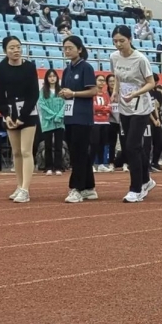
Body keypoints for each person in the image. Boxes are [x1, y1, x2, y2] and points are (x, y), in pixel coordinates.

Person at [110, 26, 156, 203]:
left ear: (130, 39)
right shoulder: (114, 57)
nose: (118, 44)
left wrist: (136, 93)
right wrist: (115, 91)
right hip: (124, 106)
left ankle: (136, 189)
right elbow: (117, 76)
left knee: (131, 146)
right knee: (132, 146)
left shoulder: (140, 59)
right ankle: (146, 180)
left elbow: (151, 83)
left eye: (122, 41)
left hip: (140, 106)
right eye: (115, 41)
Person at [0, 36, 39, 204]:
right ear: (5, 50)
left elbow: (34, 94)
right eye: (12, 47)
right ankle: (19, 186)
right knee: (16, 152)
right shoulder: (2, 68)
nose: (16, 50)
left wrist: (22, 117)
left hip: (28, 112)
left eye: (18, 47)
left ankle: (26, 189)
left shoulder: (29, 67)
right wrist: (6, 115)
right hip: (10, 113)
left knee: (26, 151)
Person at [60, 36, 98, 203]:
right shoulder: (67, 70)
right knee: (78, 152)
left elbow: (93, 91)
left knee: (79, 153)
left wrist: (74, 93)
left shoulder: (86, 68)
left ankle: (76, 187)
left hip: (82, 117)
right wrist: (64, 94)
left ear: (79, 49)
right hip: (69, 116)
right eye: (65, 48)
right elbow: (65, 90)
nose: (67, 51)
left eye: (70, 48)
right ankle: (89, 187)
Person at [37, 69, 65, 175]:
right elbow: (42, 105)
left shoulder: (61, 91)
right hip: (47, 122)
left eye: (54, 76)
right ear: (46, 78)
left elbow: (65, 104)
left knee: (58, 145)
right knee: (48, 145)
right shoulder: (43, 91)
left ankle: (58, 167)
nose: (52, 78)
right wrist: (53, 115)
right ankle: (48, 167)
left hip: (59, 122)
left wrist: (59, 115)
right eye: (50, 76)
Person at [91, 75, 112, 173]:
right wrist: (103, 108)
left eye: (103, 81)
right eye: (99, 80)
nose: (101, 82)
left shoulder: (106, 94)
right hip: (95, 121)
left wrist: (101, 109)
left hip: (105, 121)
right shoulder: (93, 94)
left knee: (102, 143)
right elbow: (94, 107)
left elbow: (109, 107)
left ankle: (101, 164)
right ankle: (91, 164)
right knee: (94, 143)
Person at [106, 74, 121, 171]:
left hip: (121, 121)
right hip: (111, 121)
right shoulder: (106, 94)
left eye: (114, 81)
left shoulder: (121, 93)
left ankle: (125, 162)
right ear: (107, 83)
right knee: (112, 143)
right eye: (110, 81)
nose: (112, 83)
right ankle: (111, 162)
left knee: (124, 142)